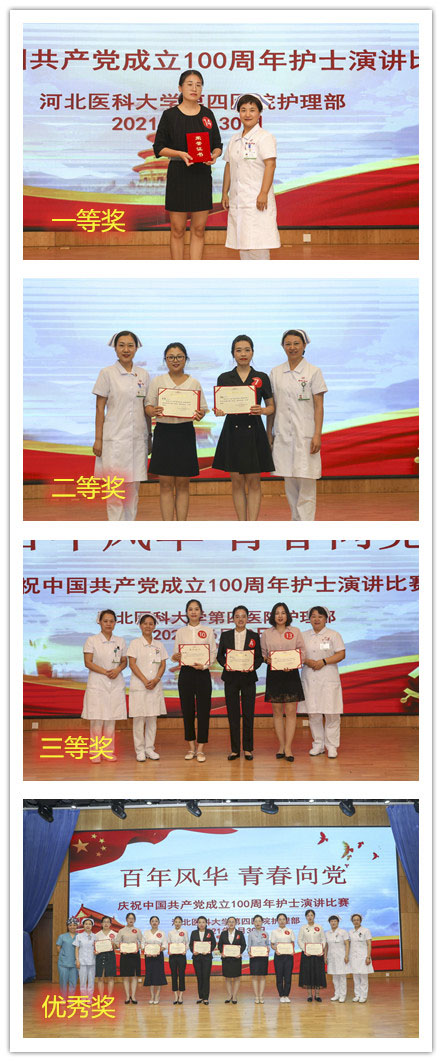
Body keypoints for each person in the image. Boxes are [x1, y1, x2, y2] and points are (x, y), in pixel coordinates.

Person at [153, 69, 222, 259]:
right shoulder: (170, 115)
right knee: (177, 230)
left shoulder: (207, 114)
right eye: (190, 84)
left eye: (198, 85)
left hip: (201, 176)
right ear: (180, 88)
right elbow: (159, 148)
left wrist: (214, 155)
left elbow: (217, 145)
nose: (194, 88)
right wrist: (179, 154)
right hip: (179, 176)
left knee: (199, 229)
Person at [212, 334, 275, 520]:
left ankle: (252, 525)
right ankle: (242, 523)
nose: (243, 354)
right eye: (238, 350)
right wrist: (219, 411)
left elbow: (271, 407)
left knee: (254, 481)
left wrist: (262, 410)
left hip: (254, 431)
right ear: (233, 353)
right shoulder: (224, 377)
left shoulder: (261, 377)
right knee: (237, 481)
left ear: (252, 352)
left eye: (247, 350)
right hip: (232, 432)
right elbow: (220, 406)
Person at [268, 329, 328, 521]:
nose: (292, 347)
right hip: (283, 435)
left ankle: (306, 526)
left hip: (306, 435)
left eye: (296, 343)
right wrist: (269, 433)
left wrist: (317, 434)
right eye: (288, 344)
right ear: (283, 346)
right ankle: (296, 521)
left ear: (304, 346)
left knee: (306, 482)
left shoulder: (313, 371)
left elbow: (319, 406)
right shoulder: (276, 372)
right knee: (290, 482)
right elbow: (272, 406)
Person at [145, 342, 208, 520]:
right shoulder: (157, 381)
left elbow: (202, 409)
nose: (175, 360)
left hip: (184, 433)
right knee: (165, 484)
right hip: (163, 433)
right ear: (165, 360)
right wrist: (153, 411)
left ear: (186, 359)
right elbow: (148, 407)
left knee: (182, 484)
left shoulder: (194, 383)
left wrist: (200, 414)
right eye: (171, 357)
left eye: (179, 357)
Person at [92, 330, 150, 521]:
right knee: (115, 491)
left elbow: (146, 408)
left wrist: (149, 438)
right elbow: (99, 408)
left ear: (136, 348)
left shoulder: (143, 375)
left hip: (137, 441)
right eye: (122, 345)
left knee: (133, 491)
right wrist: (98, 439)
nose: (126, 349)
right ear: (115, 348)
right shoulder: (107, 373)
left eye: (130, 345)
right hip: (114, 440)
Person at [222, 93, 280, 260]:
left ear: (259, 113)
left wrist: (263, 193)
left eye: (252, 110)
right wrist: (225, 192)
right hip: (238, 199)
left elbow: (270, 165)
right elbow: (229, 166)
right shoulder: (235, 139)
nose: (247, 114)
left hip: (257, 198)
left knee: (258, 245)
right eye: (243, 110)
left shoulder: (264, 137)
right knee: (243, 243)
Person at [216, 604, 263, 760]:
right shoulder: (226, 636)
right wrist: (226, 664)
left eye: (243, 616)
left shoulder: (254, 636)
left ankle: (248, 749)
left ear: (248, 618)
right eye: (237, 616)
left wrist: (252, 667)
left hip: (248, 678)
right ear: (233, 619)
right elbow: (220, 656)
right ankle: (235, 750)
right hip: (231, 678)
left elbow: (259, 658)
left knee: (248, 714)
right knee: (233, 714)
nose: (240, 619)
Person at [172, 599, 216, 762]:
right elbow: (176, 654)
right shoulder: (180, 632)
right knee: (187, 711)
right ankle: (191, 747)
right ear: (186, 612)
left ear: (201, 612)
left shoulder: (208, 631)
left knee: (204, 711)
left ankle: (201, 748)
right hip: (186, 674)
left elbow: (213, 653)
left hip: (202, 673)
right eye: (190, 609)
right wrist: (176, 656)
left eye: (196, 609)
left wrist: (204, 666)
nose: (193, 612)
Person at [261, 602, 305, 761]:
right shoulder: (267, 633)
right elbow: (263, 654)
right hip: (274, 674)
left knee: (291, 712)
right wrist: (267, 659)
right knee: (277, 712)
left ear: (287, 615)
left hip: (291, 674)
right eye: (277, 613)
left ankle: (288, 748)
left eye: (283, 613)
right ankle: (281, 745)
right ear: (273, 616)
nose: (280, 616)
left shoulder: (295, 631)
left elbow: (302, 652)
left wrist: (294, 663)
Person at [82, 609, 127, 762]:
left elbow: (124, 661)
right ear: (99, 622)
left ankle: (108, 751)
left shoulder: (120, 641)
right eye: (105, 621)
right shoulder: (92, 640)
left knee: (111, 719)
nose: (108, 624)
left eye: (111, 621)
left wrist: (117, 670)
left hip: (115, 682)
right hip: (98, 682)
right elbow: (88, 662)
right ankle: (95, 752)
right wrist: (106, 672)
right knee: (97, 719)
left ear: (115, 623)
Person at [301, 606, 346, 759]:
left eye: (320, 616)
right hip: (310, 676)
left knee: (332, 713)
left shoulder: (333, 635)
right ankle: (318, 744)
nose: (316, 619)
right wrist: (307, 661)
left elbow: (341, 654)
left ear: (326, 618)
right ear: (309, 619)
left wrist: (324, 661)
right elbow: (298, 654)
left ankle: (332, 746)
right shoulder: (303, 635)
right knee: (313, 713)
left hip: (328, 677)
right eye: (313, 616)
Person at [127, 613, 168, 762]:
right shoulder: (135, 643)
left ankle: (149, 749)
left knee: (152, 718)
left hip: (154, 686)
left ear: (155, 626)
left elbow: (163, 664)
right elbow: (132, 664)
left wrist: (156, 679)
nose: (148, 626)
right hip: (140, 686)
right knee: (139, 719)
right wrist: (145, 680)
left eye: (151, 624)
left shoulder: (159, 645)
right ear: (140, 625)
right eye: (145, 623)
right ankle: (139, 750)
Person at [298, 908, 327, 1002]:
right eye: (308, 915)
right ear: (306, 917)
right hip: (307, 954)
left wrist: (320, 949)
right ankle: (309, 995)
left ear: (314, 916)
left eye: (311, 915)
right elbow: (300, 940)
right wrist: (305, 949)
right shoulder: (303, 928)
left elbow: (323, 939)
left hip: (318, 954)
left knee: (318, 973)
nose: (310, 917)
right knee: (308, 974)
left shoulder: (319, 927)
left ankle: (317, 995)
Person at [115, 912, 143, 1004]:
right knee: (126, 976)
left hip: (135, 955)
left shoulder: (137, 930)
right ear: (126, 920)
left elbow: (142, 942)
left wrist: (138, 947)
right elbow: (117, 942)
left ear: (134, 920)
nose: (131, 920)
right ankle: (127, 996)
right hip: (125, 955)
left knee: (134, 976)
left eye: (132, 918)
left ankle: (133, 996)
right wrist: (121, 947)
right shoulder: (121, 931)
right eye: (129, 918)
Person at [218, 917, 246, 1004]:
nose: (231, 923)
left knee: (237, 977)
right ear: (227, 923)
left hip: (236, 959)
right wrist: (222, 952)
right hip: (226, 959)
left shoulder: (239, 933)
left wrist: (239, 952)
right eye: (229, 922)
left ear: (235, 923)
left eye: (233, 922)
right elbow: (220, 945)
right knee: (227, 978)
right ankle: (229, 995)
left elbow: (243, 945)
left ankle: (235, 996)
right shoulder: (223, 933)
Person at [189, 916, 217, 1004]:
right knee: (199, 977)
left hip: (207, 958)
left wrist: (208, 951)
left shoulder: (210, 932)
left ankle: (206, 998)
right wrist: (193, 951)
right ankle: (200, 996)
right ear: (197, 924)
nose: (201, 924)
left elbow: (213, 944)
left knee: (206, 977)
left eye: (203, 922)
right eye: (200, 922)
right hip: (197, 958)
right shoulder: (194, 933)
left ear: (206, 923)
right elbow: (191, 945)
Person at [348, 913, 374, 1003]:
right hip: (353, 957)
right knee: (355, 977)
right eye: (354, 920)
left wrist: (368, 956)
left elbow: (369, 944)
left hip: (363, 956)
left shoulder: (366, 930)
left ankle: (363, 996)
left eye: (357, 920)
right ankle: (357, 995)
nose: (356, 921)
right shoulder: (350, 932)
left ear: (360, 921)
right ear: (352, 921)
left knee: (363, 977)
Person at [270, 912, 295, 1002]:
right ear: (277, 921)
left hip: (288, 956)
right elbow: (272, 944)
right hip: (279, 956)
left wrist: (292, 950)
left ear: (286, 921)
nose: (282, 921)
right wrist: (276, 949)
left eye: (283, 919)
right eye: (280, 919)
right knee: (279, 976)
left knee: (288, 976)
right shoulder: (274, 932)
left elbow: (292, 943)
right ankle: (281, 995)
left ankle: (286, 995)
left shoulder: (290, 931)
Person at [143, 915, 168, 1004]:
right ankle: (152, 996)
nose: (154, 922)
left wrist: (158, 950)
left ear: (159, 923)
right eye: (152, 921)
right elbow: (143, 944)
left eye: (156, 921)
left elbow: (165, 945)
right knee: (150, 975)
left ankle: (157, 995)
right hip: (148, 956)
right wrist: (147, 951)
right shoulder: (146, 932)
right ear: (150, 923)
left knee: (158, 975)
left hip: (158, 956)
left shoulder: (162, 933)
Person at [325, 915, 350, 1002]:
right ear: (329, 923)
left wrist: (346, 955)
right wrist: (325, 956)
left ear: (338, 922)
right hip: (331, 957)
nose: (333, 923)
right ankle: (337, 994)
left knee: (342, 976)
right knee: (334, 977)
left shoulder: (343, 932)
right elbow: (326, 946)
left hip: (341, 957)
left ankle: (343, 995)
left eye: (335, 921)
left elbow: (347, 944)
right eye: (331, 921)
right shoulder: (327, 933)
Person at [247, 914, 270, 1003]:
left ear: (262, 922)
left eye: (259, 921)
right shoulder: (251, 934)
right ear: (253, 922)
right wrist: (249, 952)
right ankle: (256, 996)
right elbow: (249, 946)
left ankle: (261, 996)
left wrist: (268, 949)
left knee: (263, 977)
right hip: (254, 957)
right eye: (256, 921)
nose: (257, 923)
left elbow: (267, 944)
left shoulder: (266, 933)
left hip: (263, 957)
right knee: (255, 977)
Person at [94, 915, 117, 1000]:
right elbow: (95, 947)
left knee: (110, 977)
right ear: (101, 924)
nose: (106, 924)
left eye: (108, 922)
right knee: (100, 977)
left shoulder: (115, 934)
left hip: (110, 956)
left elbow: (118, 946)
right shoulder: (96, 935)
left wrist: (114, 945)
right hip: (100, 956)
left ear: (110, 924)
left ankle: (109, 997)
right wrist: (95, 951)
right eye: (104, 922)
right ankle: (101, 997)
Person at [167, 915, 189, 1004]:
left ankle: (181, 995)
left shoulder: (184, 931)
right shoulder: (170, 932)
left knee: (181, 975)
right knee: (174, 975)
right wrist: (170, 950)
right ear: (173, 922)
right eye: (176, 922)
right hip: (172, 956)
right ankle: (175, 995)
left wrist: (185, 950)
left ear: (182, 923)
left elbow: (187, 943)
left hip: (181, 956)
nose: (177, 923)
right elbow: (168, 943)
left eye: (179, 922)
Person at [74, 917, 96, 1002]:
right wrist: (77, 960)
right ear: (83, 925)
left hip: (92, 962)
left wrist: (97, 952)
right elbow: (76, 949)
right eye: (86, 924)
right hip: (82, 962)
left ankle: (89, 999)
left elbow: (97, 948)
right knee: (82, 982)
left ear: (92, 925)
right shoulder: (79, 936)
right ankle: (83, 999)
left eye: (90, 924)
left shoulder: (95, 936)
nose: (88, 925)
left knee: (91, 981)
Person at [56, 917, 79, 998]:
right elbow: (58, 947)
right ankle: (63, 997)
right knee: (63, 981)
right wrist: (64, 955)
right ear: (67, 926)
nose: (72, 927)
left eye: (74, 925)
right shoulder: (62, 936)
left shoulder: (79, 936)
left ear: (77, 926)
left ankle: (71, 998)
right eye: (70, 925)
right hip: (63, 963)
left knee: (73, 981)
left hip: (74, 963)